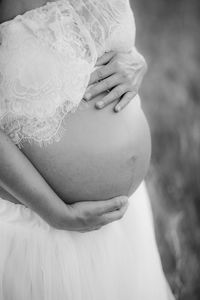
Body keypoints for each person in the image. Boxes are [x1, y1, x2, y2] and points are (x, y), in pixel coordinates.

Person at [0, 0, 175, 299]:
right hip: (39, 231)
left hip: (121, 224)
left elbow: (97, 46)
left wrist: (135, 60)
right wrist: (58, 214)